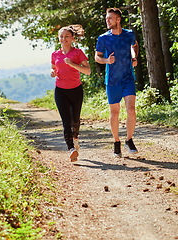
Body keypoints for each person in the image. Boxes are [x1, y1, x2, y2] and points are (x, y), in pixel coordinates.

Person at [95, 8, 139, 158]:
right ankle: (116, 142)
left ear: (118, 20)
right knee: (115, 113)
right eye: (107, 18)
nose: (107, 21)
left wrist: (134, 57)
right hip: (112, 80)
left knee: (131, 110)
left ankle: (129, 140)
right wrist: (106, 60)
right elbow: (97, 57)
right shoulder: (103, 38)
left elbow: (134, 46)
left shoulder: (129, 34)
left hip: (128, 78)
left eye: (110, 18)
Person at [50, 24, 91, 162]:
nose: (63, 38)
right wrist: (52, 72)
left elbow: (87, 71)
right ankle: (71, 149)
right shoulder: (55, 54)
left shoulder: (78, 53)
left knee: (75, 120)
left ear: (73, 38)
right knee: (66, 121)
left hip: (76, 89)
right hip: (60, 90)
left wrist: (72, 64)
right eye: (61, 36)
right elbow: (54, 68)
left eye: (67, 36)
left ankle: (75, 138)